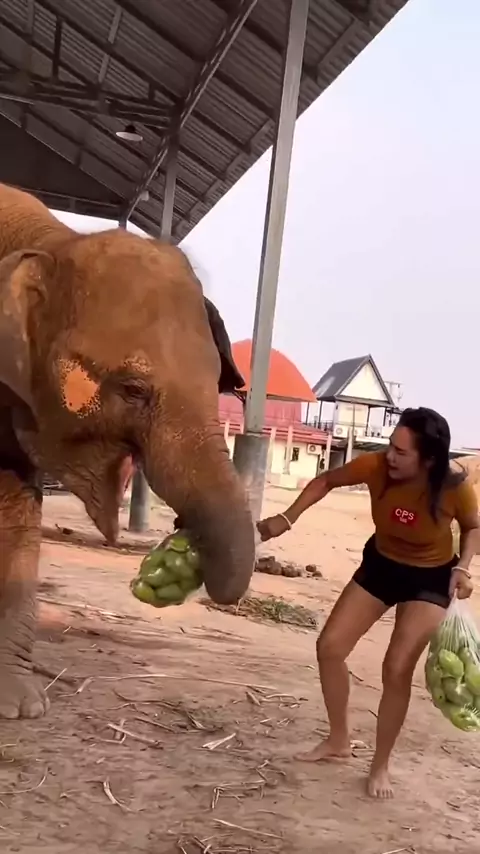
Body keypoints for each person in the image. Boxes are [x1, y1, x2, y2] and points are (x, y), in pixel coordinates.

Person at [257, 407, 479, 799]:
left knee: (396, 668)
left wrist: (463, 567)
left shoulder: (453, 486)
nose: (390, 456)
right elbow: (326, 480)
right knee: (329, 647)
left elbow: (473, 526)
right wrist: (287, 518)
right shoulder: (374, 466)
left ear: (428, 459)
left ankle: (380, 765)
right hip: (381, 566)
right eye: (390, 446)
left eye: (401, 452)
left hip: (430, 579)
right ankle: (338, 740)